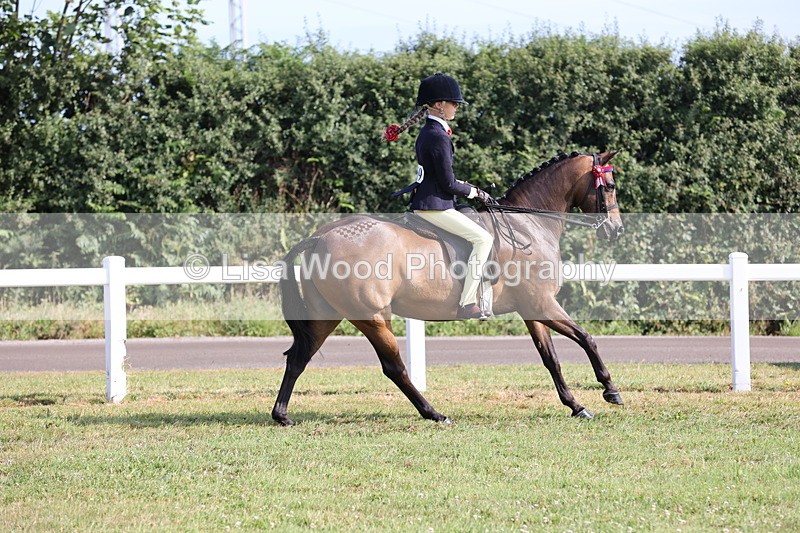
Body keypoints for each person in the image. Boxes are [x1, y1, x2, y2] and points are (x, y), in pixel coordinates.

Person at [385, 73, 495, 320]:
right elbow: (447, 182)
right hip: (435, 206)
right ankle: (467, 303)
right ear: (438, 105)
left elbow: (441, 178)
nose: (456, 107)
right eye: (453, 102)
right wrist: (475, 192)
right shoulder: (437, 136)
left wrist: (466, 188)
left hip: (433, 201)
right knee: (483, 239)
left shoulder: (430, 132)